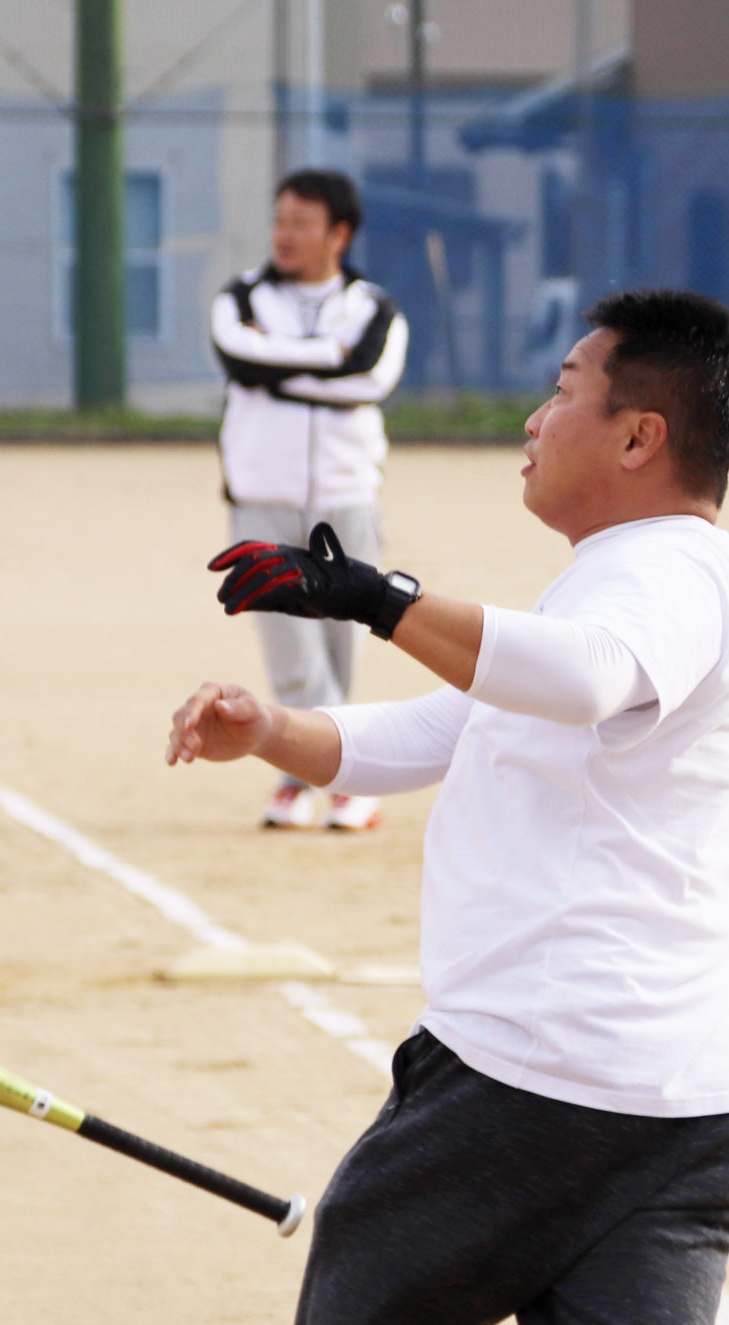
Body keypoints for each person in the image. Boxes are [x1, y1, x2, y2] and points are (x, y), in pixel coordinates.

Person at [169, 290, 729, 1325]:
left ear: (638, 431)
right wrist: (278, 727)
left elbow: (574, 678)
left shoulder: (668, 578)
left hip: (540, 1085)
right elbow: (452, 723)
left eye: (562, 387)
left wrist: (374, 595)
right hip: (695, 1107)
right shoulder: (616, 576)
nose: (533, 412)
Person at [208, 168, 409, 831]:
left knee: (340, 642)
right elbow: (241, 359)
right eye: (279, 220)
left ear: (339, 233)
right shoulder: (240, 298)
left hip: (347, 494)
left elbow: (369, 378)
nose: (284, 234)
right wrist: (328, 361)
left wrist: (281, 369)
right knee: (290, 647)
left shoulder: (375, 308)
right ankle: (337, 775)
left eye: (301, 222)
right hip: (262, 495)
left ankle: (309, 772)